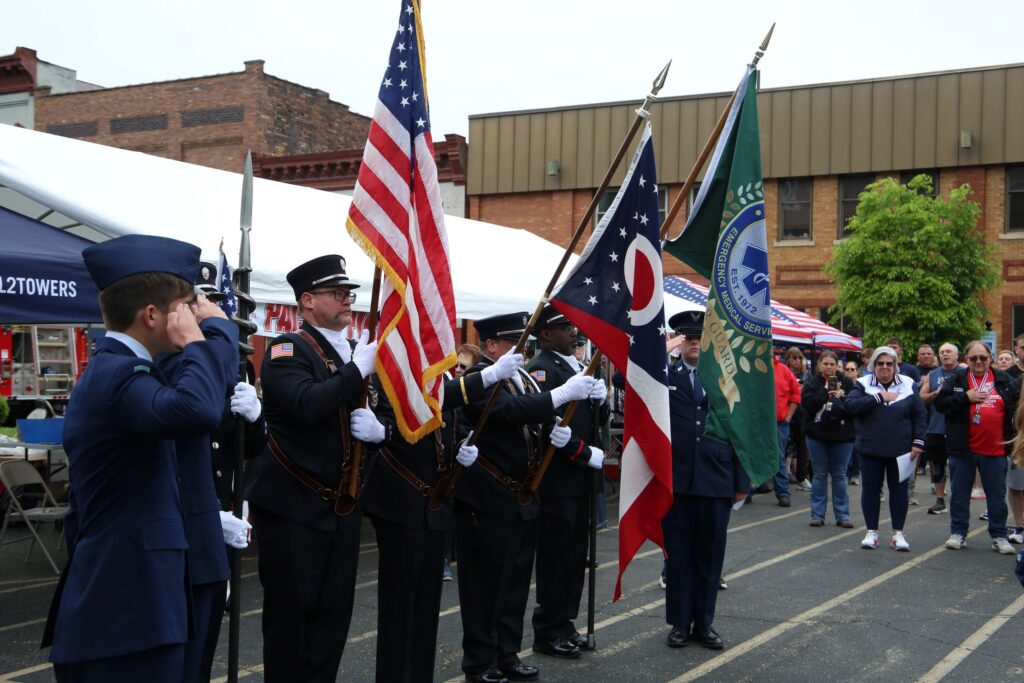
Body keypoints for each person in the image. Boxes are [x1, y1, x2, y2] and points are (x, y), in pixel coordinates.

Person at [43, 235, 238, 682]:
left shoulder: (126, 370)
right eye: (187, 305)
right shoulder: (119, 374)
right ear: (152, 315)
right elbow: (197, 409)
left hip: (138, 605)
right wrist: (199, 342)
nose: (194, 314)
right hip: (125, 611)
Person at [350, 339, 522, 682]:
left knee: (426, 607)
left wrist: (459, 447)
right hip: (400, 501)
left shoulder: (433, 367)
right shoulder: (393, 362)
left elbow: (446, 417)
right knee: (400, 607)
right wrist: (485, 377)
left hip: (436, 500)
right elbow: (419, 402)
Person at [244, 254, 378, 682]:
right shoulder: (288, 349)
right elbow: (306, 405)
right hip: (294, 508)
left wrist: (381, 430)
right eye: (336, 293)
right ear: (307, 301)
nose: (347, 300)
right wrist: (358, 371)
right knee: (291, 621)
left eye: (348, 293)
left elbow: (385, 412)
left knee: (332, 619)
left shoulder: (355, 351)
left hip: (341, 507)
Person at [455, 312, 596, 683]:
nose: (524, 349)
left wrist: (573, 440)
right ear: (490, 346)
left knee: (515, 582)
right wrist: (560, 395)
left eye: (526, 341)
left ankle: (506, 652)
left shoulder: (518, 379)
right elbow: (507, 412)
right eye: (514, 341)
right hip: (490, 497)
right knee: (486, 586)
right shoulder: (480, 380)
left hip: (522, 495)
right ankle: (480, 661)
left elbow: (537, 419)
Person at [151, 262, 264, 682]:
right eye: (201, 302)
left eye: (216, 302)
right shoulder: (165, 363)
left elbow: (249, 447)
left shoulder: (234, 367)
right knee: (177, 650)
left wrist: (255, 419)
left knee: (204, 645)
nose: (209, 311)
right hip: (186, 515)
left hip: (220, 507)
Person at [662, 311, 749, 651]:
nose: (695, 341)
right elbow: (630, 387)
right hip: (677, 479)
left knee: (710, 556)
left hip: (716, 479)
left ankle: (704, 622)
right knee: (678, 556)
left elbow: (741, 432)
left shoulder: (728, 381)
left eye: (702, 337)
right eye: (687, 337)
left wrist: (742, 481)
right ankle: (680, 623)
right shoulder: (663, 377)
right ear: (678, 342)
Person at [527, 307, 607, 660]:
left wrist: (601, 403)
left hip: (580, 479)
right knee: (556, 557)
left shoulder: (575, 366)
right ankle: (547, 628)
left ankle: (565, 622)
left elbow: (591, 421)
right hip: (558, 479)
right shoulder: (541, 369)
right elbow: (545, 426)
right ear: (545, 335)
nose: (573, 332)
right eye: (564, 328)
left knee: (576, 556)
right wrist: (581, 452)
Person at [935, 340, 1020, 554]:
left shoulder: (1004, 380)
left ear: (990, 358)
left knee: (996, 496)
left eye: (983, 357)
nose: (979, 362)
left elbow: (1019, 408)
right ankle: (958, 533)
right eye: (973, 358)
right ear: (966, 359)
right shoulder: (957, 380)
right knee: (960, 493)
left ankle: (999, 535)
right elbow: (941, 405)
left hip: (996, 450)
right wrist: (965, 397)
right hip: (963, 449)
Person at [845, 346, 926, 552]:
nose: (884, 367)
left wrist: (918, 441)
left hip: (901, 450)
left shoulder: (907, 384)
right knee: (870, 491)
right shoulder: (862, 384)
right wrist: (879, 397)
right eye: (880, 363)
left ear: (896, 366)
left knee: (899, 492)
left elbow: (919, 414)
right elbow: (851, 407)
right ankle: (871, 532)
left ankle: (898, 534)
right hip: (870, 449)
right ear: (872, 365)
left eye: (889, 363)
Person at [802, 351, 856, 528]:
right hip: (817, 435)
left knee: (840, 475)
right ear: (819, 365)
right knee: (819, 474)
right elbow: (808, 406)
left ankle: (843, 515)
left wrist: (841, 395)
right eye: (825, 364)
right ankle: (817, 514)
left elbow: (854, 408)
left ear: (837, 365)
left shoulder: (847, 383)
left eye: (832, 364)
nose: (829, 367)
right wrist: (825, 391)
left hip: (842, 436)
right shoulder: (811, 383)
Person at [918, 343, 960, 515]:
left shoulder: (965, 373)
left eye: (949, 351)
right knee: (937, 465)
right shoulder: (933, 374)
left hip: (958, 427)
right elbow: (921, 398)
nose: (945, 354)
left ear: (957, 355)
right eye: (942, 352)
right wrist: (935, 394)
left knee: (959, 466)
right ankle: (940, 500)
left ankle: (958, 499)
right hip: (936, 427)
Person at [772, 350, 803, 507]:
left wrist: (788, 417)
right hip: (757, 422)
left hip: (779, 422)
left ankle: (783, 492)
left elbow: (796, 394)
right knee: (752, 456)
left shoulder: (783, 370)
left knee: (778, 456)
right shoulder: (751, 367)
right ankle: (747, 491)